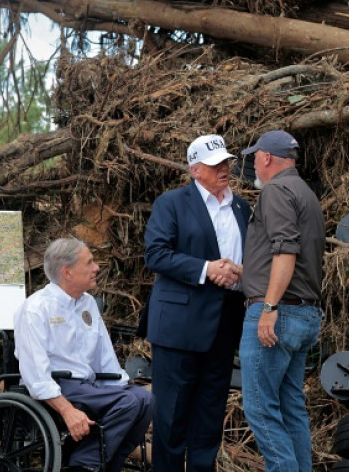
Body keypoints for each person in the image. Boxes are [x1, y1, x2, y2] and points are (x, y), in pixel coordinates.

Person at [141, 134, 251, 472]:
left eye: (227, 162)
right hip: (178, 328)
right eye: (215, 163)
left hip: (224, 325)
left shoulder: (241, 207)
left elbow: (252, 255)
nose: (224, 168)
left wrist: (243, 271)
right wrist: (207, 268)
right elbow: (156, 254)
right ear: (194, 169)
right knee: (171, 419)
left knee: (209, 418)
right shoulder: (171, 203)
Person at [14, 237, 155, 472]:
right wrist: (67, 410)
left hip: (88, 386)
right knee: (129, 402)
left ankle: (109, 463)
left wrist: (123, 385)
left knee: (145, 399)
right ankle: (84, 466)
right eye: (89, 263)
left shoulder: (87, 303)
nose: (97, 268)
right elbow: (36, 375)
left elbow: (105, 358)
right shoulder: (36, 308)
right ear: (67, 272)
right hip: (57, 387)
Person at [238, 130, 324, 472]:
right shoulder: (305, 192)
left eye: (255, 157)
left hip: (278, 313)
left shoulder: (275, 190)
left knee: (260, 408)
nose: (254, 164)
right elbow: (293, 257)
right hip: (304, 315)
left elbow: (286, 251)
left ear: (267, 158)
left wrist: (269, 307)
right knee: (291, 409)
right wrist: (244, 273)